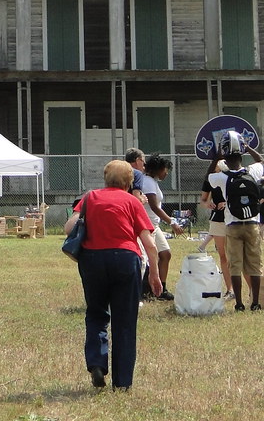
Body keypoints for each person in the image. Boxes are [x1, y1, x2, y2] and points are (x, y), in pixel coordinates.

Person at [64, 159, 161, 392]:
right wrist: (155, 275)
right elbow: (150, 244)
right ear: (129, 182)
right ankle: (122, 382)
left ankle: (97, 363)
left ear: (106, 179)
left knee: (96, 313)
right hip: (126, 259)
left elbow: (69, 228)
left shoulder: (90, 197)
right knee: (125, 321)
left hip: (93, 260)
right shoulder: (132, 202)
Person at [207, 131, 264, 312]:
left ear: (224, 154)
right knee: (254, 264)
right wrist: (248, 147)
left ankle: (239, 303)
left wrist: (217, 157)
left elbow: (209, 177)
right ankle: (255, 302)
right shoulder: (253, 172)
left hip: (232, 225)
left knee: (235, 264)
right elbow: (262, 162)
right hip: (252, 224)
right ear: (242, 153)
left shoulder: (222, 177)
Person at [139, 155, 183, 300]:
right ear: (158, 169)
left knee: (165, 254)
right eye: (165, 169)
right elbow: (153, 206)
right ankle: (146, 291)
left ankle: (161, 289)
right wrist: (172, 222)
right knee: (149, 259)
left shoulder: (152, 181)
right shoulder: (148, 182)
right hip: (147, 226)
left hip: (154, 225)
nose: (167, 173)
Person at [198, 161, 233, 299]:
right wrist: (208, 204)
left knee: (235, 256)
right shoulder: (210, 179)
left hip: (233, 219)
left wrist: (228, 203)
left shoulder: (232, 178)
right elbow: (203, 200)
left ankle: (246, 289)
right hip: (218, 219)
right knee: (223, 255)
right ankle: (230, 290)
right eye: (215, 169)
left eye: (219, 169)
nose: (216, 171)